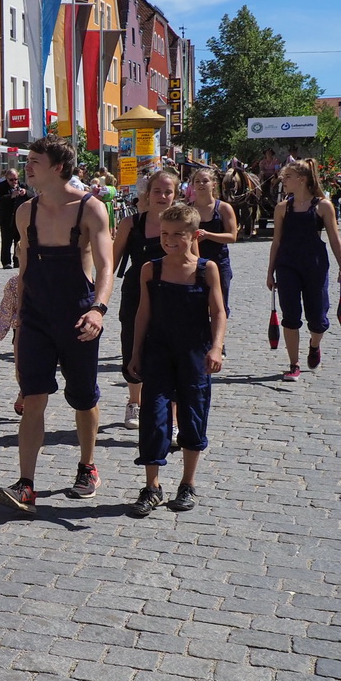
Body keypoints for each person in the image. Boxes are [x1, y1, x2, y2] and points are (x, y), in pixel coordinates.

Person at [0, 137, 114, 516]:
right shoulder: (24, 213)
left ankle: (87, 466)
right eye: (27, 160)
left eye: (35, 161)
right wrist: (17, 318)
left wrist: (98, 309)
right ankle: (26, 484)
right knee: (33, 398)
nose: (27, 167)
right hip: (36, 317)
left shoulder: (91, 209)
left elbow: (106, 266)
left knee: (83, 397)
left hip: (78, 315)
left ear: (58, 167)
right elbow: (24, 270)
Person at [127, 203, 226, 516]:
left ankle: (187, 483)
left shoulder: (206, 269)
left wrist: (216, 347)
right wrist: (135, 352)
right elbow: (143, 313)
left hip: (194, 352)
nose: (169, 240)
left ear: (194, 235)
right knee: (154, 416)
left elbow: (218, 312)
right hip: (158, 351)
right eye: (165, 233)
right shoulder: (151, 269)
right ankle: (152, 486)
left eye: (178, 234)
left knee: (193, 413)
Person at [266, 159, 341, 381]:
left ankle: (314, 345)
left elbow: (334, 238)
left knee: (318, 318)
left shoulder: (323, 206)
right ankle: (293, 364)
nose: (283, 181)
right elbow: (276, 242)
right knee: (290, 315)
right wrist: (270, 271)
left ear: (302, 180)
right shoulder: (282, 208)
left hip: (314, 265)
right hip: (287, 266)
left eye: (288, 177)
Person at [110, 168, 180, 429]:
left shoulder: (182, 223)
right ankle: (134, 402)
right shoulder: (131, 224)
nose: (162, 196)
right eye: (157, 191)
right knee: (132, 346)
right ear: (147, 194)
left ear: (175, 195)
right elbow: (111, 262)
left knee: (172, 353)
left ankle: (172, 417)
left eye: (168, 192)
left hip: (172, 294)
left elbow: (194, 262)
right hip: (136, 293)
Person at [189, 168, 237, 317]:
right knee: (196, 307)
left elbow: (232, 236)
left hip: (219, 262)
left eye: (205, 181)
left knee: (220, 306)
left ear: (214, 184)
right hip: (195, 263)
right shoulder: (188, 209)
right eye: (197, 181)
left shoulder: (223, 208)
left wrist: (208, 235)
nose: (201, 184)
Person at [0, 165, 30, 267]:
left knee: (19, 240)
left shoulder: (22, 185)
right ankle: (6, 262)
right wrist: (11, 196)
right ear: (6, 178)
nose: (14, 182)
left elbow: (32, 195)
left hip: (19, 218)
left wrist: (25, 192)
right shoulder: (1, 186)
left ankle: (17, 261)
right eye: (11, 180)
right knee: (6, 241)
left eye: (16, 179)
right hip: (6, 218)